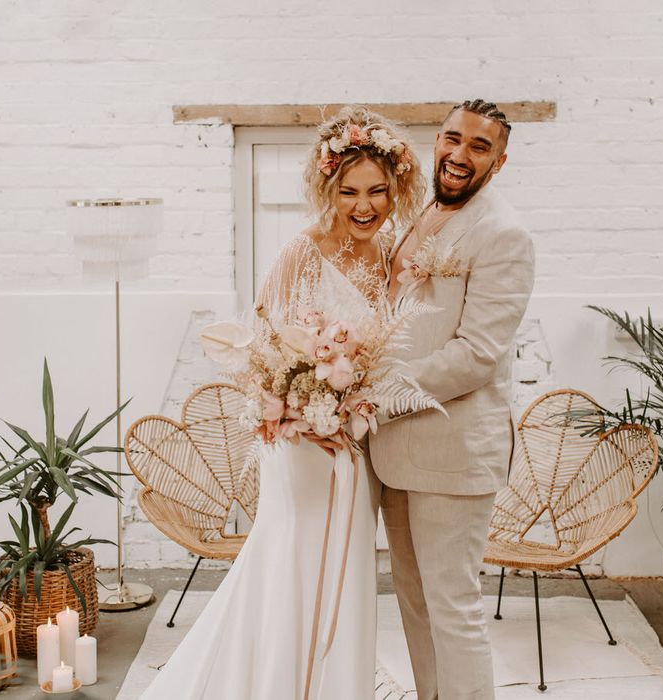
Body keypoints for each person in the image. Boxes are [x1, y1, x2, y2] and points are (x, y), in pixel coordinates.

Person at [139, 105, 425, 700]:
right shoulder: (303, 250)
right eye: (350, 191)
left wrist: (352, 409)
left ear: (395, 188)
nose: (364, 205)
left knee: (345, 573)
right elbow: (259, 349)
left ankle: (330, 684)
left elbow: (389, 353)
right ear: (329, 187)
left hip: (354, 445)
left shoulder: (392, 255)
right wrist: (298, 415)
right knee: (286, 564)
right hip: (300, 445)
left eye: (377, 190)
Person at [370, 99, 535, 700]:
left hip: (454, 455)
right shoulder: (416, 213)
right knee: (413, 602)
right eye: (452, 139)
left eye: (478, 146)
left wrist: (378, 396)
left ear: (500, 160)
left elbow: (476, 354)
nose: (459, 154)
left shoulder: (504, 233)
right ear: (436, 141)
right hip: (395, 453)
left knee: (455, 610)